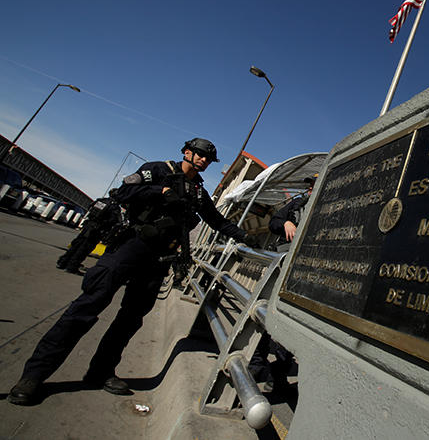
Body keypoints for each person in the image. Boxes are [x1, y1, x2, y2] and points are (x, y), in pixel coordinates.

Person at [8, 138, 256, 405]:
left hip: (159, 259)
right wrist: (158, 192)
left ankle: (101, 372)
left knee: (130, 320)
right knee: (86, 308)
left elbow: (217, 221)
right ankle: (34, 375)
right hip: (130, 246)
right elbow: (122, 193)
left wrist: (245, 236)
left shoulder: (197, 191)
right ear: (186, 152)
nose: (204, 161)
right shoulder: (158, 170)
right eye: (199, 155)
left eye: (208, 159)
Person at [249, 175, 315, 392]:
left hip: (307, 273)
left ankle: (278, 374)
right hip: (283, 265)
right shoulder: (296, 205)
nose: (311, 189)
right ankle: (257, 363)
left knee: (290, 321)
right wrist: (285, 221)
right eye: (311, 186)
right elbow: (273, 222)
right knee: (266, 311)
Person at [56, 192, 122, 274]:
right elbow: (113, 220)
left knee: (77, 244)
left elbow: (90, 207)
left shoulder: (101, 201)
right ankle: (72, 266)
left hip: (88, 225)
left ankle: (62, 262)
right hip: (97, 229)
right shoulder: (114, 207)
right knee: (84, 248)